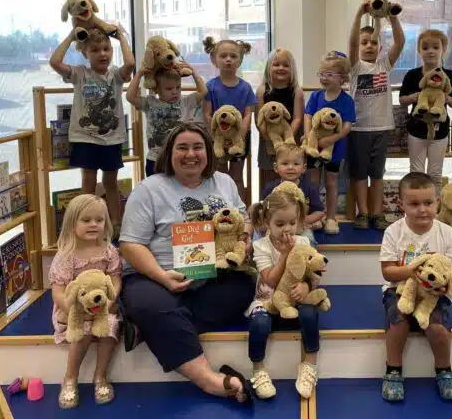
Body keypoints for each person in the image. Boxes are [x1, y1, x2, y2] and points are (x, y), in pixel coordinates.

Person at [119, 121, 256, 404]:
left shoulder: (225, 182)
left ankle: (151, 326)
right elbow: (130, 244)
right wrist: (160, 276)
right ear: (169, 153)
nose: (190, 154)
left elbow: (245, 220)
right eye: (182, 147)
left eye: (198, 147)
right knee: (150, 303)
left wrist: (244, 240)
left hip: (213, 275)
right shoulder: (149, 189)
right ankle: (212, 382)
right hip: (155, 276)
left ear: (209, 151)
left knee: (244, 287)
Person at [379, 172, 452, 402]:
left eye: (428, 203)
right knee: (398, 320)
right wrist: (412, 273)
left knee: (437, 327)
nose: (422, 209)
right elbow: (387, 271)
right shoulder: (393, 232)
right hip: (398, 289)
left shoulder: (447, 233)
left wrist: (443, 288)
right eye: (414, 204)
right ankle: (393, 370)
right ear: (401, 204)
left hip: (434, 295)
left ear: (437, 202)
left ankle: (444, 370)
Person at [49, 26, 136, 232]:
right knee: (88, 181)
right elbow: (54, 62)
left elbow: (131, 63)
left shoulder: (115, 75)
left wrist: (121, 36)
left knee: (111, 182)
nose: (102, 54)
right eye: (95, 50)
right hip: (85, 138)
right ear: (85, 53)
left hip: (111, 138)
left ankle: (115, 224)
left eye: (107, 49)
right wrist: (71, 36)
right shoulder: (80, 73)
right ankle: (85, 223)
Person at [247, 188, 322, 400]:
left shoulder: (304, 242)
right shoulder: (260, 246)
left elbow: (313, 273)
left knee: (310, 313)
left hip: (295, 297)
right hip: (269, 299)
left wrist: (308, 286)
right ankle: (258, 368)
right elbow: (270, 279)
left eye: (292, 223)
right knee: (259, 323)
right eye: (280, 224)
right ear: (266, 223)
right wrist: (285, 254)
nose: (287, 229)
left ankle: (309, 364)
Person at [49, 194, 121, 409]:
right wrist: (75, 310)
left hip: (104, 306)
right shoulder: (66, 256)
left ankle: (100, 376)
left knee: (110, 326)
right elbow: (58, 291)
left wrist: (108, 303)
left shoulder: (109, 251)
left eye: (99, 220)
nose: (94, 224)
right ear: (72, 223)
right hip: (72, 309)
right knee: (82, 329)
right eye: (86, 220)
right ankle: (70, 378)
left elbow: (115, 281)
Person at [348, 4, 405, 230]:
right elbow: (351, 43)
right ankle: (363, 213)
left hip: (382, 128)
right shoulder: (354, 67)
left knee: (377, 174)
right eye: (364, 43)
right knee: (360, 175)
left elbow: (400, 42)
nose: (369, 46)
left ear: (380, 46)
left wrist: (392, 17)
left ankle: (377, 213)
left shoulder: (384, 65)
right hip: (358, 129)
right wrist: (359, 14)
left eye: (373, 42)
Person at [398, 29, 452, 186]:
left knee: (435, 173)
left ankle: (434, 208)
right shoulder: (412, 75)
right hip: (416, 129)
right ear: (419, 50)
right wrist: (415, 97)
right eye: (425, 48)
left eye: (435, 47)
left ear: (443, 50)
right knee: (416, 172)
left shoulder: (450, 76)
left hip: (440, 131)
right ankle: (415, 207)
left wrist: (445, 97)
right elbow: (402, 100)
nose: (430, 51)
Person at [304, 52, 356, 235]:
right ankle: (314, 216)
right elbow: (308, 116)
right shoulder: (316, 96)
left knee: (331, 182)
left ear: (342, 78)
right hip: (314, 148)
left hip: (335, 150)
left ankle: (331, 218)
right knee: (312, 182)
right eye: (322, 74)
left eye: (329, 74)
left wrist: (331, 139)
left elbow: (347, 126)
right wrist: (309, 135)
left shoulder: (346, 100)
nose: (324, 78)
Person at [202, 36, 257, 202]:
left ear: (239, 61)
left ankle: (239, 211)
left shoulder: (246, 87)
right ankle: (220, 209)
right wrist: (214, 137)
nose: (228, 60)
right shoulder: (210, 86)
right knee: (219, 177)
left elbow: (248, 114)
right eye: (223, 56)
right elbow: (206, 114)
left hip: (239, 138)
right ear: (214, 60)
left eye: (233, 56)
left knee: (236, 176)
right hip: (217, 139)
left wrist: (239, 136)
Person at [126, 65, 207, 177]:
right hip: (155, 158)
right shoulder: (150, 102)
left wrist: (193, 72)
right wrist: (139, 74)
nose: (175, 92)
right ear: (157, 89)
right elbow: (130, 97)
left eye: (178, 87)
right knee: (154, 190)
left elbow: (203, 91)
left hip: (178, 158)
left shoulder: (186, 101)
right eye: (169, 89)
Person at [255, 48, 304, 186]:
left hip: (290, 140)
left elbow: (297, 118)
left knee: (291, 176)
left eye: (285, 65)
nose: (280, 68)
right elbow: (259, 120)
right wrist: (269, 138)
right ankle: (267, 205)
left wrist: (287, 138)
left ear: (292, 69)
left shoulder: (297, 91)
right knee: (269, 177)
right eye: (276, 64)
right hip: (267, 141)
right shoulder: (262, 90)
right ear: (268, 67)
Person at [260, 143, 325, 244]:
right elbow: (262, 210)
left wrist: (305, 220)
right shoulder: (270, 189)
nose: (290, 167)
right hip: (276, 228)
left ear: (303, 168)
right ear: (276, 167)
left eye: (296, 164)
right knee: (266, 242)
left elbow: (319, 212)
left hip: (300, 229)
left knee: (308, 240)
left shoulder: (310, 188)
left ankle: (305, 259)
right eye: (285, 163)